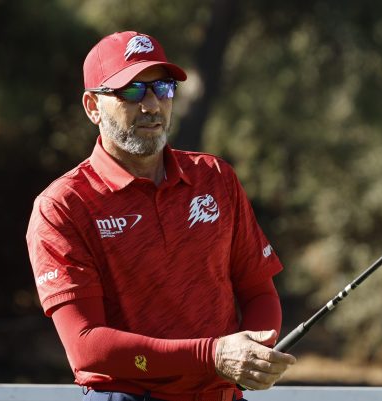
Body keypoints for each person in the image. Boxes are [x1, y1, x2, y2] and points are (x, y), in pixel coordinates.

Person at [25, 31, 296, 401]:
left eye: (163, 88)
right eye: (132, 91)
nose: (152, 105)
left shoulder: (215, 177)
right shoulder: (63, 205)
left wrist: (254, 353)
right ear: (92, 106)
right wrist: (213, 356)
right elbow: (86, 346)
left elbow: (259, 291)